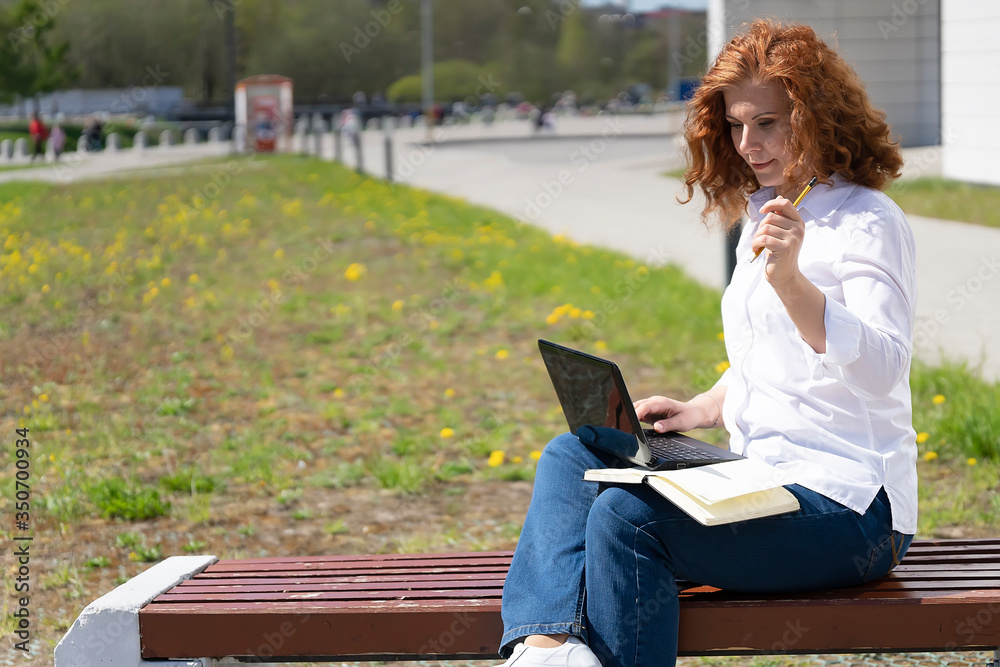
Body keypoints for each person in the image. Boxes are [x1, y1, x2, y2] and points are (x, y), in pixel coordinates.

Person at [498, 19, 916, 667]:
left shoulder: (867, 219)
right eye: (736, 124)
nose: (749, 143)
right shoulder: (769, 209)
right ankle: (549, 645)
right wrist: (703, 407)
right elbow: (771, 355)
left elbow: (884, 369)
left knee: (624, 516)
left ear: (818, 115)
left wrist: (792, 283)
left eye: (769, 122)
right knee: (574, 449)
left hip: (852, 508)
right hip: (766, 477)